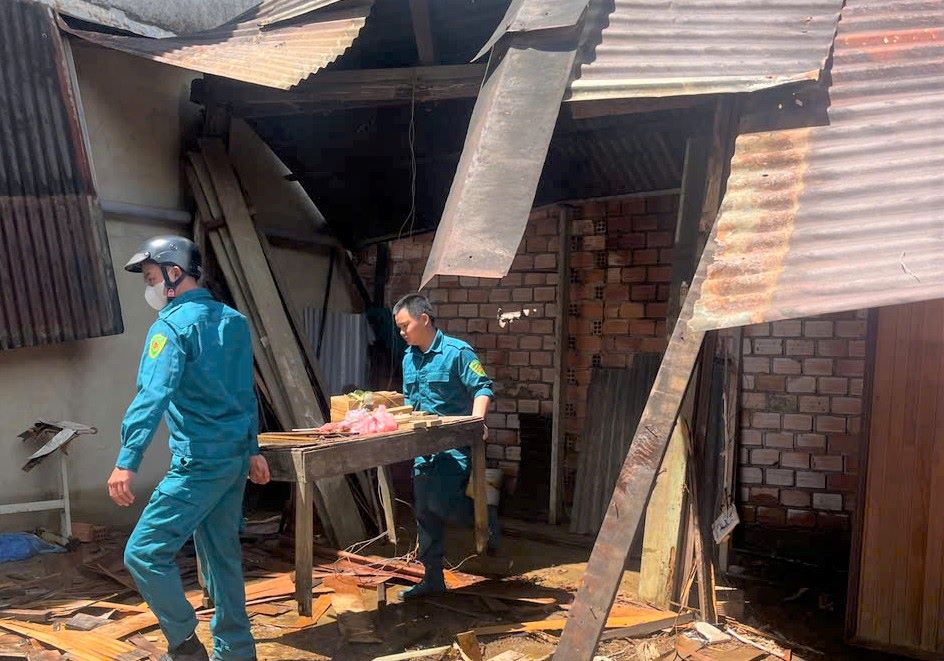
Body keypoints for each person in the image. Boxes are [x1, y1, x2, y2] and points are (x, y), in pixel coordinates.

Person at [107, 235, 270, 661]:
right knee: (222, 556)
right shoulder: (234, 322)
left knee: (144, 553)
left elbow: (152, 395)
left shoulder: (171, 327)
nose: (149, 287)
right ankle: (236, 652)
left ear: (174, 273)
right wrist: (252, 449)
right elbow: (245, 393)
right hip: (232, 462)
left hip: (198, 464)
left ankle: (185, 645)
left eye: (150, 278)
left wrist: (127, 459)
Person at [393, 293, 498, 599]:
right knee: (424, 511)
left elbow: (482, 388)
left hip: (454, 447)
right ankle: (433, 578)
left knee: (440, 503)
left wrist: (476, 422)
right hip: (422, 449)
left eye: (405, 326)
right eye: (399, 327)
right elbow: (409, 403)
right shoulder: (408, 358)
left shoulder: (457, 352)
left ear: (424, 319)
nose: (402, 332)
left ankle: (486, 518)